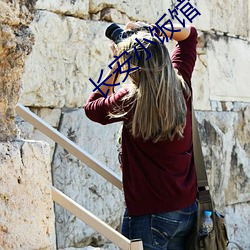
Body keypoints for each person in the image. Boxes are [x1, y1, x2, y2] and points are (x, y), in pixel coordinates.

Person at [85, 21, 198, 250]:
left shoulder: (130, 100)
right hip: (186, 209)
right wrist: (152, 31)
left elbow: (92, 107)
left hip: (148, 216)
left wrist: (117, 67)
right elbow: (189, 36)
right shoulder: (182, 86)